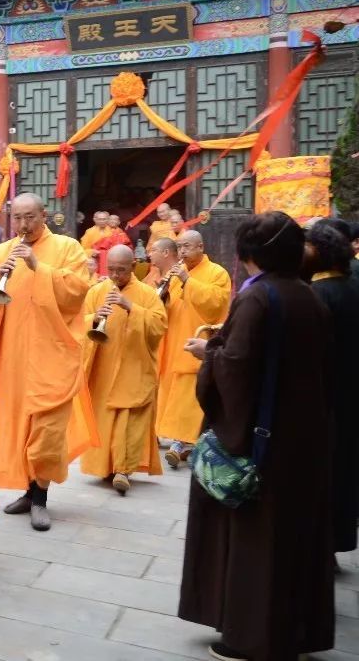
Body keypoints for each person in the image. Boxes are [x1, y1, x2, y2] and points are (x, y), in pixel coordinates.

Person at [178, 212, 334, 661]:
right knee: (295, 538)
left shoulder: (258, 298)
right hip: (303, 434)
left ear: (252, 255)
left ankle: (250, 637)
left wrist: (209, 354)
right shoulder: (310, 295)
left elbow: (236, 367)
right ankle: (297, 629)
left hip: (261, 440)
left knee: (256, 540)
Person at [0, 192, 91, 531]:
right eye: (18, 217)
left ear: (44, 215)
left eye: (30, 217)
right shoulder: (1, 252)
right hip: (15, 355)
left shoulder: (68, 249)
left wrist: (38, 267)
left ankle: (40, 498)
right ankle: (29, 492)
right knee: (20, 426)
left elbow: (78, 290)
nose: (24, 224)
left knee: (47, 429)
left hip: (53, 354)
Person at [77, 245, 167, 495]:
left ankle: (123, 470)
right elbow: (79, 324)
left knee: (129, 420)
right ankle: (107, 467)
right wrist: (95, 318)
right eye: (112, 270)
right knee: (105, 422)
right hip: (103, 370)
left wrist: (131, 307)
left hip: (134, 368)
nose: (116, 275)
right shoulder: (97, 291)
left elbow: (159, 327)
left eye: (122, 270)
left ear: (133, 266)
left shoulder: (147, 294)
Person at [304, 221, 359, 555]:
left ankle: (318, 547)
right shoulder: (353, 288)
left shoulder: (315, 296)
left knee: (321, 473)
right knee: (345, 469)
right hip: (351, 393)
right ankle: (338, 539)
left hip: (321, 398)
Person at [156, 229, 231, 469]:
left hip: (198, 342)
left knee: (190, 396)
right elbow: (169, 308)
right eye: (180, 247)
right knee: (174, 393)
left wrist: (188, 281)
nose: (183, 252)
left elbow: (216, 304)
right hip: (175, 340)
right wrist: (164, 295)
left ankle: (181, 442)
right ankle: (182, 441)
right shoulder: (176, 273)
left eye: (187, 246)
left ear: (200, 247)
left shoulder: (217, 272)